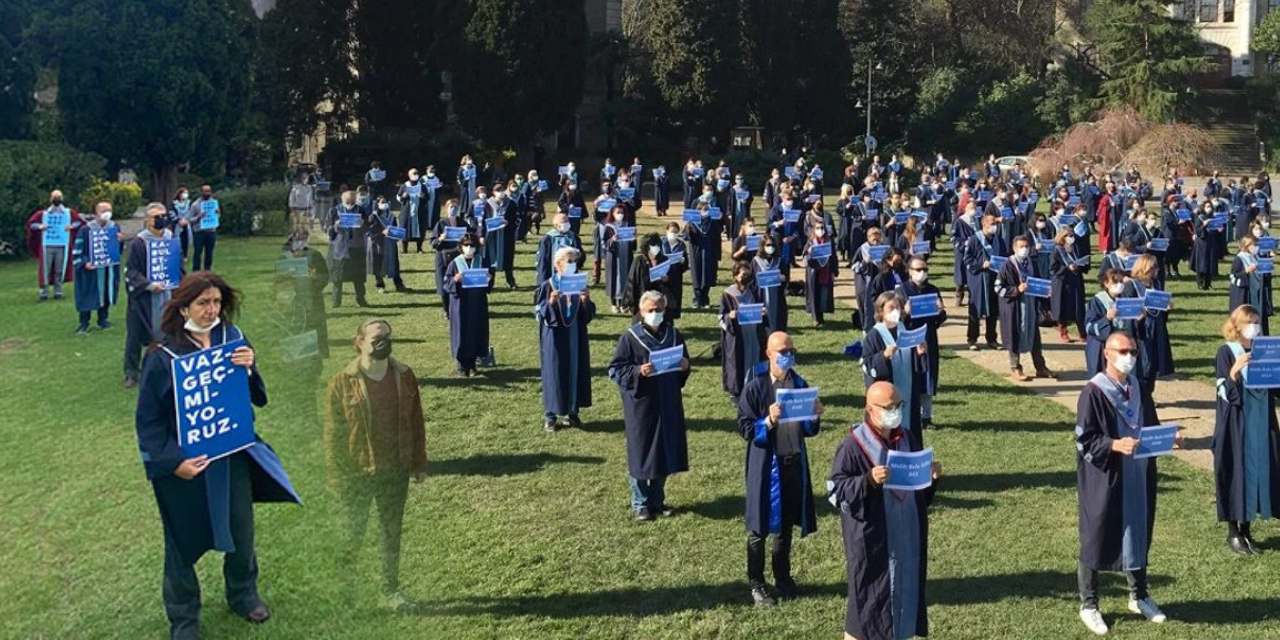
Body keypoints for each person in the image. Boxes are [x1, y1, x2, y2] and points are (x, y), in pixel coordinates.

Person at [133, 272, 299, 640]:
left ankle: (243, 594)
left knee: (242, 530)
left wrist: (250, 367)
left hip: (231, 455)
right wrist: (174, 462)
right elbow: (148, 421)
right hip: (185, 464)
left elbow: (256, 396)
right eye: (203, 303)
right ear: (183, 307)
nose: (211, 310)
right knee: (181, 541)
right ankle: (184, 618)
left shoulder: (233, 338)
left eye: (217, 302)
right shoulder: (162, 355)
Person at [1075, 332, 1174, 636]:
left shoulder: (1139, 388)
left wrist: (1169, 438)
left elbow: (1151, 425)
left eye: (1133, 351)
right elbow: (1084, 440)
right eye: (1123, 351)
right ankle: (1089, 604)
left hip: (1138, 473)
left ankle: (1139, 595)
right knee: (1096, 535)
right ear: (1107, 353)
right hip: (1107, 476)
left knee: (1138, 531)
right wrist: (1114, 445)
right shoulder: (1094, 392)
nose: (1129, 356)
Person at [324, 318, 427, 609]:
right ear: (359, 343)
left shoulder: (405, 376)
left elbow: (416, 421)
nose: (383, 343)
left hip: (395, 469)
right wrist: (336, 476)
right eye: (376, 339)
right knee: (351, 534)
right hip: (357, 472)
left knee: (390, 533)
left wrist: (419, 462)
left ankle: (389, 591)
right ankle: (344, 596)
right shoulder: (341, 383)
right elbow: (333, 435)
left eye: (387, 338)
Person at [829, 381, 941, 640]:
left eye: (898, 405)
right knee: (867, 607)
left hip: (906, 538)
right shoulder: (853, 446)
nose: (895, 411)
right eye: (889, 407)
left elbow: (919, 495)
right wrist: (867, 480)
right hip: (873, 541)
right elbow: (836, 491)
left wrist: (931, 478)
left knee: (904, 600)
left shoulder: (907, 439)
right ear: (870, 409)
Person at [736, 331, 822, 607]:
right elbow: (745, 427)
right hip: (765, 466)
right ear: (769, 353)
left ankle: (782, 577)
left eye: (791, 350)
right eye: (782, 351)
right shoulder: (756, 386)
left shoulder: (799, 383)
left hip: (792, 463)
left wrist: (814, 415)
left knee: (785, 526)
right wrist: (768, 421)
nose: (788, 355)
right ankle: (756, 583)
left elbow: (809, 430)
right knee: (759, 526)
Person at [608, 291, 691, 521]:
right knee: (642, 452)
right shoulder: (630, 338)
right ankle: (640, 503)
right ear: (642, 312)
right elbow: (615, 369)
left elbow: (683, 363)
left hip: (668, 400)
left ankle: (657, 500)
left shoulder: (673, 335)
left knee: (664, 451)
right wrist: (638, 371)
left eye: (659, 309)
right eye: (650, 310)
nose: (655, 313)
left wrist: (686, 365)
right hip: (642, 404)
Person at [1213, 304, 1280, 555]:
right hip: (1236, 424)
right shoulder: (1226, 352)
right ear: (1237, 326)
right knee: (1236, 471)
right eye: (1249, 322)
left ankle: (1247, 528)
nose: (1254, 326)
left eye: (1257, 321)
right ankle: (1233, 532)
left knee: (1258, 472)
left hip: (1262, 422)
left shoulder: (1265, 352)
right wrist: (1235, 371)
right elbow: (1224, 393)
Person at [535, 247, 596, 432]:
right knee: (554, 372)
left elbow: (587, 316)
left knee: (575, 370)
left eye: (574, 261)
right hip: (554, 337)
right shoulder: (548, 285)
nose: (572, 265)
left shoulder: (579, 284)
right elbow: (539, 313)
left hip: (575, 335)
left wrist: (585, 301)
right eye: (568, 261)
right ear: (558, 264)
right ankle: (550, 416)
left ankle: (572, 412)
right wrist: (551, 302)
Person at [124, 204, 180, 388]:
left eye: (163, 215)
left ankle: (165, 366)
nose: (161, 219)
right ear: (148, 221)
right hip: (144, 298)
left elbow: (177, 266)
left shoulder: (171, 239)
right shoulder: (139, 243)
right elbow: (131, 271)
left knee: (169, 331)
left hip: (168, 293)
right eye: (156, 216)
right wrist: (148, 285)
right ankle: (131, 373)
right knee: (135, 335)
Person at [862, 292, 928, 443]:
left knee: (910, 434)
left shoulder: (905, 330)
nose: (896, 311)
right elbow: (867, 366)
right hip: (888, 398)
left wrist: (920, 354)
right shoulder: (874, 335)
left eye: (898, 307)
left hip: (909, 392)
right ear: (880, 311)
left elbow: (916, 365)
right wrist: (884, 356)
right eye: (891, 308)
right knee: (889, 435)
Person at [898, 256, 948, 428]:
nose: (922, 273)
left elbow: (939, 319)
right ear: (910, 271)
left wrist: (941, 312)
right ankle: (911, 415)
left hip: (929, 338)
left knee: (928, 376)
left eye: (925, 269)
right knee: (913, 377)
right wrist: (905, 312)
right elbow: (896, 321)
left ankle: (927, 417)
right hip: (910, 339)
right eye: (918, 269)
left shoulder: (932, 290)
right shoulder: (901, 291)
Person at [996, 235, 1054, 382]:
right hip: (1014, 308)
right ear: (1014, 248)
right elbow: (998, 288)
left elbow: (1038, 282)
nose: (1025, 249)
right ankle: (1015, 367)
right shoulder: (1007, 265)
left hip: (1030, 306)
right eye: (1021, 247)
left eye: (1027, 246)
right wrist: (1016, 290)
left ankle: (1040, 367)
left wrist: (1045, 293)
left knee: (1034, 336)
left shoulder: (1032, 263)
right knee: (1014, 337)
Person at [442, 234, 493, 377]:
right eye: (466, 245)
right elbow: (446, 283)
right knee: (461, 333)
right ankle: (461, 365)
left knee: (476, 332)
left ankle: (472, 364)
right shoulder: (455, 263)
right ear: (461, 247)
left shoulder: (481, 261)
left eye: (472, 245)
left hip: (477, 304)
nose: (469, 248)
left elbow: (488, 283)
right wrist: (455, 279)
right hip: (460, 304)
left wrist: (489, 279)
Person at [720, 261, 769, 405]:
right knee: (737, 364)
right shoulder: (728, 294)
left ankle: (754, 389)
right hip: (737, 337)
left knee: (754, 359)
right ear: (735, 276)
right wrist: (730, 316)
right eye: (743, 275)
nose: (746, 277)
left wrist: (763, 312)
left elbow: (760, 309)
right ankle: (736, 393)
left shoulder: (753, 291)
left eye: (748, 274)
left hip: (753, 335)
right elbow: (721, 318)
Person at [72, 202, 123, 335]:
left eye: (109, 210)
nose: (107, 213)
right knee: (87, 295)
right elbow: (77, 250)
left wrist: (120, 241)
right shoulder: (86, 229)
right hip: (90, 270)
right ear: (96, 213)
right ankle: (84, 323)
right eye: (103, 210)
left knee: (106, 293)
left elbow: (118, 251)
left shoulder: (114, 227)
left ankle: (103, 320)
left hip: (108, 269)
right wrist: (84, 263)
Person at [25, 189, 80, 301]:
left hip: (62, 244)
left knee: (59, 269)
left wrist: (72, 226)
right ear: (51, 199)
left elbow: (79, 222)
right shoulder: (43, 214)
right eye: (55, 197)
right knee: (45, 269)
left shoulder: (69, 213)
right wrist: (40, 226)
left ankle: (58, 291)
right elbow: (31, 224)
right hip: (47, 245)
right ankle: (44, 293)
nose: (57, 199)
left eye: (58, 197)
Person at [963, 214, 1005, 350]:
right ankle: (972, 339)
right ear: (984, 224)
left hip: (994, 278)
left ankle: (991, 338)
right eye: (992, 224)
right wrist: (981, 265)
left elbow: (1004, 256)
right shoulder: (974, 239)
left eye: (995, 224)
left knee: (993, 310)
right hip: (979, 280)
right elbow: (967, 259)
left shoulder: (999, 240)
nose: (994, 226)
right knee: (975, 310)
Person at [325, 190, 370, 308]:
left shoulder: (360, 210)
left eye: (352, 202)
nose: (350, 204)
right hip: (339, 248)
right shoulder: (334, 210)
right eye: (347, 202)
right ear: (342, 200)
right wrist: (335, 226)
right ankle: (336, 301)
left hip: (356, 247)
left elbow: (367, 228)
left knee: (358, 277)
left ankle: (361, 299)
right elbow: (328, 229)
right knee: (337, 277)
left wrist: (363, 224)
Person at [1050, 228, 1089, 343]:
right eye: (1069, 236)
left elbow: (1083, 264)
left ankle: (1082, 333)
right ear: (1063, 237)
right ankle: (1063, 331)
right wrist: (1066, 268)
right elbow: (1053, 269)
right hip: (1062, 282)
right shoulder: (1057, 250)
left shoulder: (1075, 248)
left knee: (1078, 307)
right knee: (1062, 307)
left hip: (1075, 281)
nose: (1072, 238)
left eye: (1072, 235)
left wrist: (1081, 264)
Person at [1230, 236, 1274, 334]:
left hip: (1255, 290)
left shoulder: (1254, 256)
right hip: (1244, 293)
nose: (1256, 247)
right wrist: (1246, 271)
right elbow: (1234, 276)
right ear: (1246, 246)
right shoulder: (1239, 258)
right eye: (1253, 245)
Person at [367, 197, 406, 293]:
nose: (384, 204)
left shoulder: (392, 216)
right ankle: (380, 285)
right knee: (378, 264)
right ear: (377, 204)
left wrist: (397, 235)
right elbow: (369, 231)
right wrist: (381, 233)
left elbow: (395, 228)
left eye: (385, 202)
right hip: (378, 244)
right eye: (382, 202)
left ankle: (398, 284)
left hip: (390, 244)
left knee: (394, 264)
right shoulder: (373, 216)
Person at [803, 219, 837, 327]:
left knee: (823, 294)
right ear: (814, 229)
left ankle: (821, 316)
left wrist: (834, 271)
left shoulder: (828, 241)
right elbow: (804, 256)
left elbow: (833, 257)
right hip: (813, 272)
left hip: (825, 271)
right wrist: (809, 252)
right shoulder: (810, 241)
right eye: (817, 228)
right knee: (814, 294)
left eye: (822, 228)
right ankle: (815, 317)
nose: (820, 230)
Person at [534, 212, 585, 285]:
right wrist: (543, 281)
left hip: (570, 273)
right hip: (552, 274)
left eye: (567, 221)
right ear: (557, 225)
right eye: (564, 221)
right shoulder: (547, 239)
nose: (567, 223)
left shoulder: (573, 237)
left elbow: (581, 255)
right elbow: (543, 261)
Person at [752, 234, 789, 332]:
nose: (770, 247)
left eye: (772, 245)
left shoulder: (779, 261)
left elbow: (786, 277)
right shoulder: (756, 261)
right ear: (762, 246)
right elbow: (752, 282)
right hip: (761, 296)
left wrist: (783, 278)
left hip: (777, 297)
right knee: (763, 326)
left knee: (778, 322)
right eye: (768, 245)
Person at [603, 207, 636, 314]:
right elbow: (604, 244)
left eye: (622, 212)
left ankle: (623, 304)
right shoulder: (609, 227)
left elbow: (633, 246)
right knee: (613, 280)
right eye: (618, 212)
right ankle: (614, 304)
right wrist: (612, 240)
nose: (620, 214)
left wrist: (633, 238)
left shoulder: (628, 225)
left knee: (626, 279)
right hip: (613, 257)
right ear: (612, 214)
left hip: (626, 255)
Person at [396, 168, 428, 254]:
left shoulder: (422, 186)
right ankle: (404, 249)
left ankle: (419, 248)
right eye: (413, 173)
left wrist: (423, 196)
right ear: (409, 175)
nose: (415, 175)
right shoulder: (405, 185)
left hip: (419, 211)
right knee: (405, 228)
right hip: (407, 211)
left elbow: (427, 197)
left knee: (420, 229)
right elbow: (398, 197)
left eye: (417, 173)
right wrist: (403, 196)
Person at [189, 185, 220, 272]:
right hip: (199, 231)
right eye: (205, 191)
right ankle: (196, 271)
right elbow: (190, 219)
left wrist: (217, 213)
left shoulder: (213, 203)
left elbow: (217, 217)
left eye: (209, 191)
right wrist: (198, 217)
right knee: (198, 252)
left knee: (209, 252)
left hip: (211, 231)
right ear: (201, 192)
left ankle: (208, 270)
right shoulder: (195, 204)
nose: (207, 193)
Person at [171, 187, 196, 258]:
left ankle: (185, 255)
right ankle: (178, 254)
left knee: (186, 239)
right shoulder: (174, 203)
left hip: (187, 224)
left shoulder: (189, 203)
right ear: (180, 194)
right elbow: (171, 213)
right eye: (184, 193)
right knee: (178, 240)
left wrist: (187, 220)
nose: (185, 194)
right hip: (177, 225)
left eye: (186, 193)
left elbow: (191, 212)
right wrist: (178, 220)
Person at [288, 169, 316, 234]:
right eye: (303, 178)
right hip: (297, 210)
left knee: (306, 229)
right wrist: (293, 211)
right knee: (297, 228)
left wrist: (311, 212)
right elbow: (291, 200)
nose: (304, 179)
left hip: (306, 210)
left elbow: (311, 200)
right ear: (300, 178)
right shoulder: (295, 188)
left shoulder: (309, 188)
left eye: (306, 178)